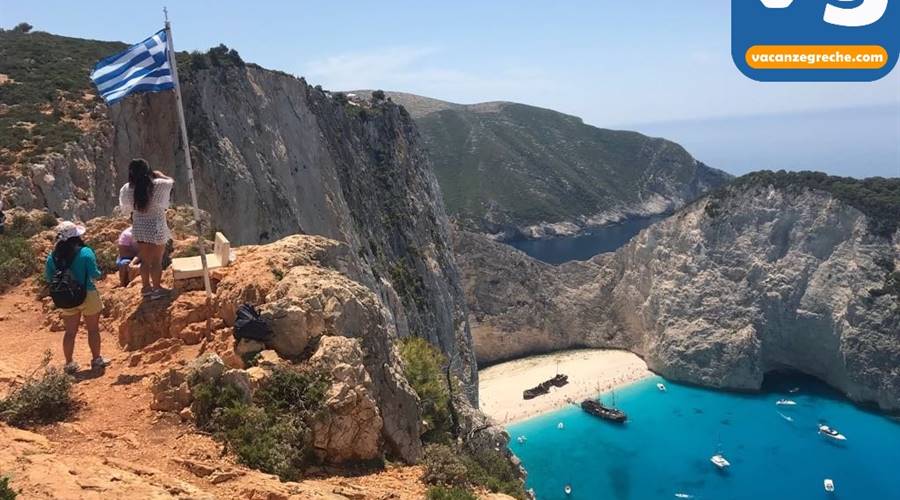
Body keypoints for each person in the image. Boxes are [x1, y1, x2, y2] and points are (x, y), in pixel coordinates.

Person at [45, 221, 110, 374]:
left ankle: (69, 363)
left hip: (66, 297)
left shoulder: (52, 257)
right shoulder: (85, 252)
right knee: (93, 329)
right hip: (88, 293)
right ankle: (96, 360)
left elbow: (49, 277)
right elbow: (95, 274)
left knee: (70, 332)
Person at [119, 158, 174, 300]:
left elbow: (126, 208)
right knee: (157, 260)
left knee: (144, 259)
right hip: (156, 226)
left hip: (139, 227)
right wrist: (160, 174)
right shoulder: (157, 185)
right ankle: (157, 289)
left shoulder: (128, 188)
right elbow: (170, 182)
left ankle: (146, 288)